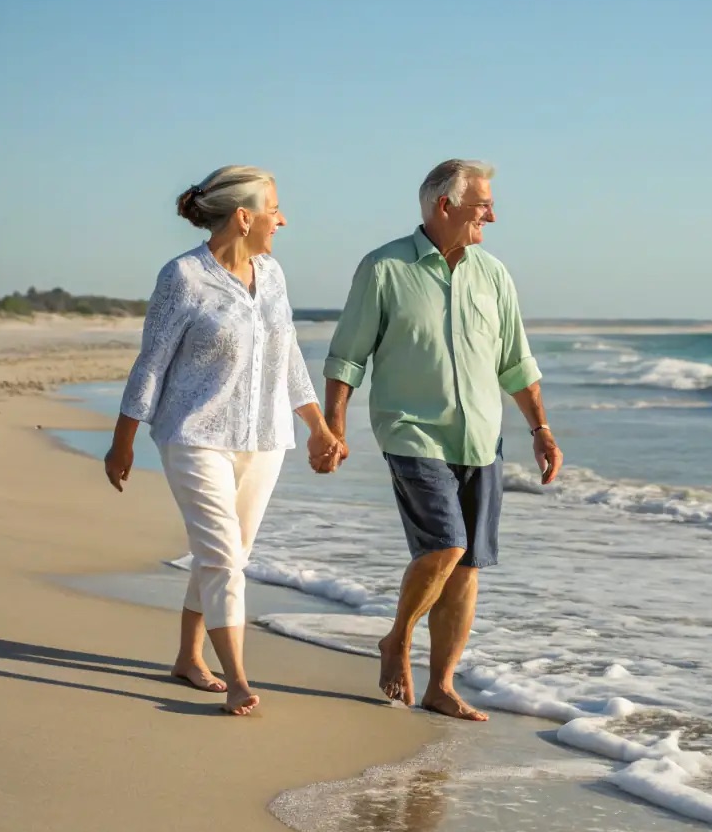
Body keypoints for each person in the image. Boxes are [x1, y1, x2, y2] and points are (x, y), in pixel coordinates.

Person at [319, 159, 562, 721]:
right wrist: (334, 427)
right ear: (445, 205)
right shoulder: (384, 268)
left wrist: (541, 429)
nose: (492, 217)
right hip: (412, 430)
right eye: (483, 206)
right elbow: (347, 357)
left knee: (468, 566)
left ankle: (442, 686)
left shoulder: (493, 274)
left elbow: (515, 362)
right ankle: (398, 639)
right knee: (446, 545)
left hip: (481, 437)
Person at [104, 165, 339, 715]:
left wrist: (318, 426)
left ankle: (189, 656)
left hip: (265, 438)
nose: (282, 220)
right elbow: (151, 363)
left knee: (227, 554)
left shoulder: (273, 274)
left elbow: (288, 357)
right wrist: (123, 440)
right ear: (244, 217)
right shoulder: (183, 277)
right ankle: (237, 678)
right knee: (223, 557)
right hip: (195, 436)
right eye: (273, 209)